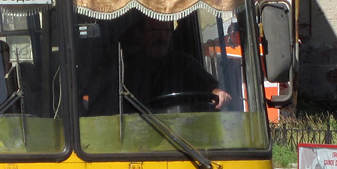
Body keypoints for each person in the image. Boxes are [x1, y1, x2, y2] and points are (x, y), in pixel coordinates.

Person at [85, 13, 231, 114]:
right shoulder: (124, 67)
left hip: (181, 138)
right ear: (140, 34)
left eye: (166, 31)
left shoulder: (184, 63)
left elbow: (211, 86)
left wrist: (218, 93)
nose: (161, 36)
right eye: (154, 31)